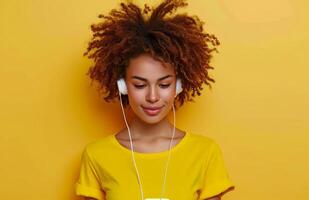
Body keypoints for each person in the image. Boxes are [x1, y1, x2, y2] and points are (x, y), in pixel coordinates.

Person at [75, 0, 235, 200]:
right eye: (140, 85)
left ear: (178, 86)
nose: (152, 97)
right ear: (123, 86)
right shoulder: (96, 155)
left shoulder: (205, 153)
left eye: (164, 84)